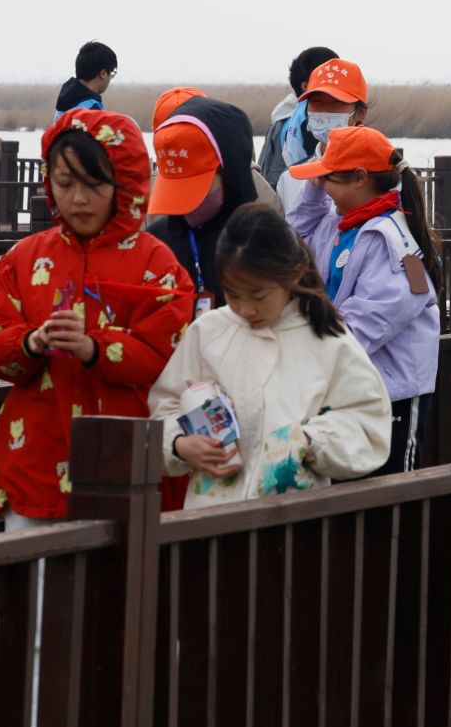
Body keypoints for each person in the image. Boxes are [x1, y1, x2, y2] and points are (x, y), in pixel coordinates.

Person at [0, 109, 196, 524]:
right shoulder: (23, 258)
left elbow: (167, 356)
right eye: (64, 183)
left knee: (123, 564)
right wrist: (31, 343)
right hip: (34, 461)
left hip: (123, 460)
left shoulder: (157, 263)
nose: (77, 199)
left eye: (94, 185)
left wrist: (94, 348)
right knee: (32, 565)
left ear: (124, 182)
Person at [150, 204, 391, 505]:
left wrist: (311, 440)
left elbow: (368, 423)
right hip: (211, 517)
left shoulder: (328, 339)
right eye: (232, 294)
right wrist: (179, 444)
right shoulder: (208, 331)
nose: (246, 309)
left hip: (293, 517)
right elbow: (164, 407)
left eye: (259, 295)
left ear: (295, 274)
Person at [285, 126, 441, 475]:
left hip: (392, 393)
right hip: (349, 383)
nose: (323, 187)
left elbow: (373, 318)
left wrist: (310, 349)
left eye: (328, 179)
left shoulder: (392, 238)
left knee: (390, 492)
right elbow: (294, 235)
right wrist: (314, 187)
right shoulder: (338, 224)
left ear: (359, 178)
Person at [146, 96, 278, 313]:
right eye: (174, 188)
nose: (184, 204)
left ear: (229, 172)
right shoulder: (156, 243)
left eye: (192, 188)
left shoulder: (265, 239)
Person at [274, 57, 370, 212]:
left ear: (361, 113)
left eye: (337, 102)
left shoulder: (379, 177)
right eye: (317, 102)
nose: (325, 111)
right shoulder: (291, 178)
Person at [257, 46, 340, 189]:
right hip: (293, 194)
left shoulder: (282, 115)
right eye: (334, 76)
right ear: (306, 87)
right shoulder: (313, 122)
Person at [55, 41, 117, 118]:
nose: (111, 78)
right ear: (103, 74)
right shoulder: (92, 110)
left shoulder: (66, 101)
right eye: (112, 73)